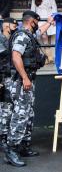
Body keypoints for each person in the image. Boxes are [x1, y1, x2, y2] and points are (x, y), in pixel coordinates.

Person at [3, 10, 54, 167]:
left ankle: (23, 146)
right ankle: (11, 150)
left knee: (28, 114)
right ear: (31, 21)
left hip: (28, 81)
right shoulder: (22, 36)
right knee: (20, 115)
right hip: (20, 82)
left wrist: (50, 22)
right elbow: (16, 56)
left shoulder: (28, 34)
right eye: (36, 22)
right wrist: (25, 77)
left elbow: (39, 32)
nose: (37, 25)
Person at [0, 18, 18, 152]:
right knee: (4, 110)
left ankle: (5, 138)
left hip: (10, 79)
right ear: (7, 26)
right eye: (14, 25)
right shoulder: (1, 40)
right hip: (2, 79)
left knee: (8, 109)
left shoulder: (12, 40)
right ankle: (2, 140)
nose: (16, 27)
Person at [31, 0, 57, 64]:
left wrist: (53, 18)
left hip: (49, 19)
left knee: (49, 38)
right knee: (43, 36)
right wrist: (33, 20)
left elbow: (54, 9)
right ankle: (48, 56)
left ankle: (48, 57)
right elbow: (33, 10)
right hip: (40, 20)